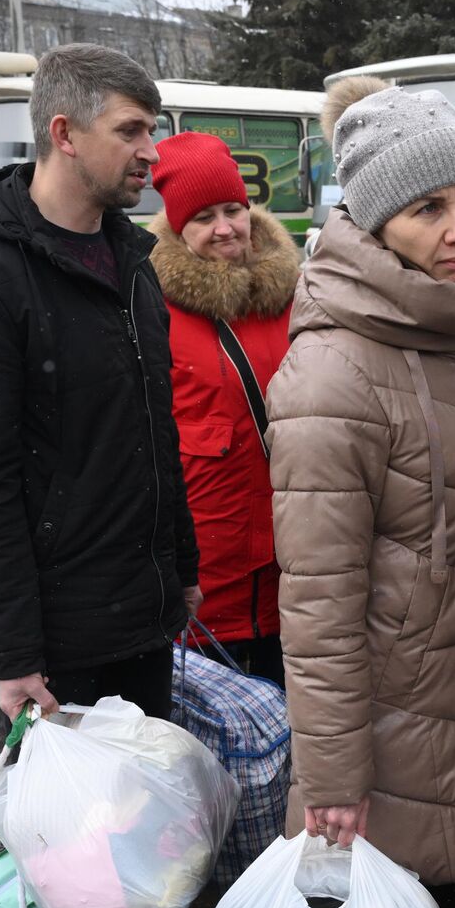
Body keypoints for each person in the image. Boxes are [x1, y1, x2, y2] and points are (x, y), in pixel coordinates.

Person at [266, 75, 455, 908]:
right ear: (375, 221)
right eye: (427, 209)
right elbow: (318, 602)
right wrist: (332, 782)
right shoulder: (332, 376)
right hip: (393, 734)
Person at [0, 43, 200, 726]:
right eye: (131, 130)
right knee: (79, 835)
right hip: (59, 644)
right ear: (64, 133)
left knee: (157, 829)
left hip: (142, 618)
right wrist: (11, 655)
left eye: (152, 131)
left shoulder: (132, 260)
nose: (152, 152)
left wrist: (181, 569)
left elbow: (152, 431)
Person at [147, 131, 298, 682]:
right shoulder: (153, 308)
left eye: (234, 209)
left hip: (294, 562)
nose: (226, 228)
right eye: (204, 217)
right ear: (178, 229)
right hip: (209, 574)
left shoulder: (292, 295)